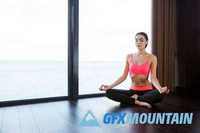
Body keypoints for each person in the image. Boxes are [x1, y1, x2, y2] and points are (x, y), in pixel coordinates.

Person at [99, 32, 169, 108]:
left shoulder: (152, 58)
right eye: (136, 40)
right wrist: (109, 86)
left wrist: (160, 89)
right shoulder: (129, 57)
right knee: (108, 92)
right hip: (132, 91)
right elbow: (123, 76)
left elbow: (153, 78)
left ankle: (134, 100)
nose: (138, 42)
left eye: (141, 40)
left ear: (146, 42)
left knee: (160, 94)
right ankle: (138, 102)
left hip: (147, 91)